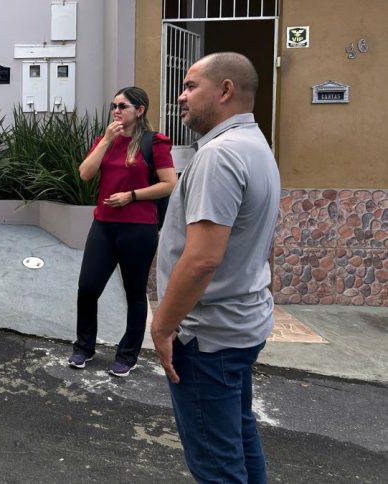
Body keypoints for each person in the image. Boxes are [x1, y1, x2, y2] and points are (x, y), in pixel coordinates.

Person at [151, 52, 280, 483]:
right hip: (239, 326)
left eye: (191, 86)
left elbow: (203, 258)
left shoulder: (219, 156)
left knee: (217, 466)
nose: (181, 96)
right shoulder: (254, 144)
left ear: (225, 90)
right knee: (238, 438)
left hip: (208, 337)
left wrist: (162, 326)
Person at [67, 87, 176, 376]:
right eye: (114, 106)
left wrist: (132, 195)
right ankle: (84, 347)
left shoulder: (154, 142)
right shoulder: (105, 140)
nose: (116, 111)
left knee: (135, 293)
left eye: (123, 106)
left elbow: (169, 183)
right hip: (104, 225)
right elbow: (85, 173)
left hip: (139, 228)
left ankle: (127, 355)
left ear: (139, 111)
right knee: (88, 288)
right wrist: (106, 140)